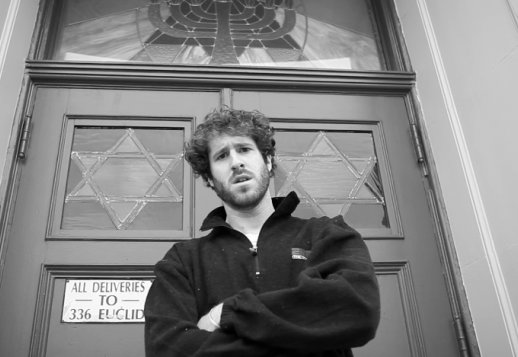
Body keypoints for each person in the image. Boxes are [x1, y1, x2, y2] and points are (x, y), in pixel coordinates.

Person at [144, 108, 380, 356]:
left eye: (244, 149)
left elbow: (358, 310)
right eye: (222, 156)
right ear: (209, 178)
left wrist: (228, 313)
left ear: (267, 161)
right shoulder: (183, 261)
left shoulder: (327, 234)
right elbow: (167, 348)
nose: (236, 163)